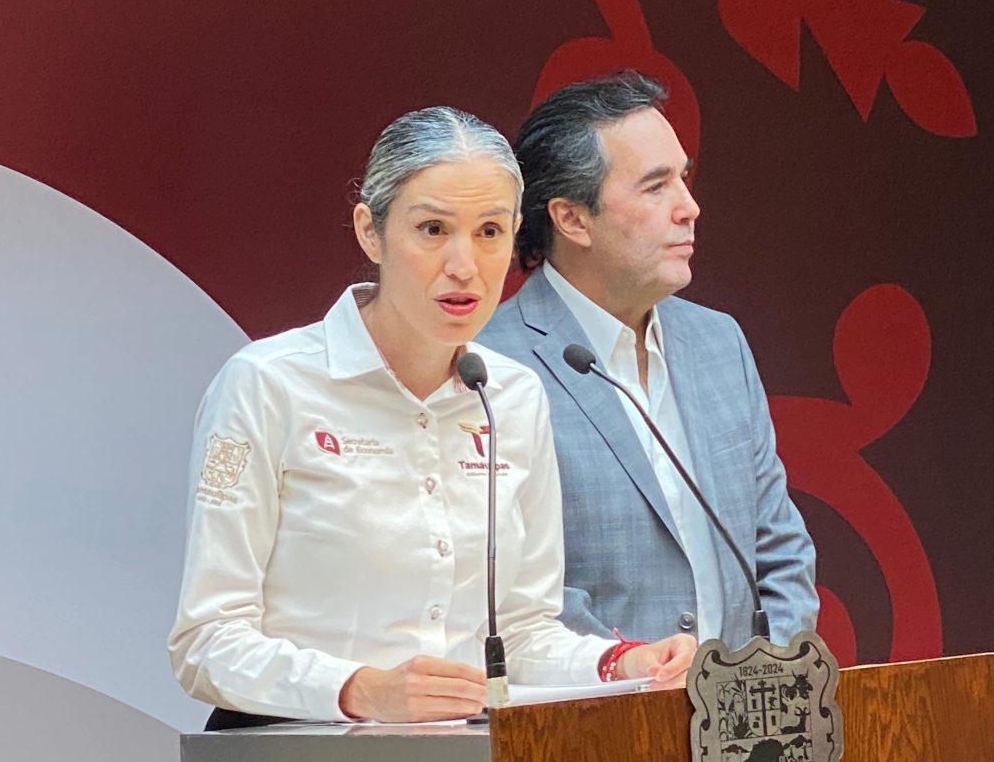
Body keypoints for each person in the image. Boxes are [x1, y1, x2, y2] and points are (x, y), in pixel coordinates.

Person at [167, 106, 697, 729]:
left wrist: (621, 663)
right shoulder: (267, 383)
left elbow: (521, 636)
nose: (464, 265)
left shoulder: (513, 396)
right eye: (433, 229)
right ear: (370, 232)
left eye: (490, 231)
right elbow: (205, 643)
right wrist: (360, 690)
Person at [476, 71, 818, 650]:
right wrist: (634, 678)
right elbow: (520, 592)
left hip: (742, 702)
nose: (689, 207)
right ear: (572, 219)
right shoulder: (490, 364)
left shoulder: (718, 342)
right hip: (596, 702)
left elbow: (780, 550)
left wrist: (762, 676)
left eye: (684, 178)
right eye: (656, 187)